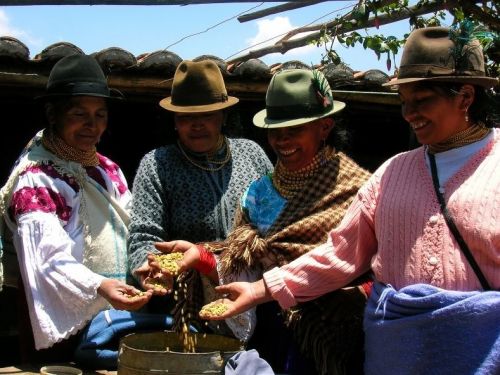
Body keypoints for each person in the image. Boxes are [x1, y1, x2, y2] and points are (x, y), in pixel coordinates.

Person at [198, 25, 500, 375]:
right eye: (404, 102)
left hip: (480, 352)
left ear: (465, 96)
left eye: (422, 100)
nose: (409, 113)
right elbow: (341, 252)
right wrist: (261, 290)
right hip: (396, 355)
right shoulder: (392, 174)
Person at [148, 68, 373, 374]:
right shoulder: (259, 192)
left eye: (295, 129)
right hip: (269, 335)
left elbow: (373, 269)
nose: (283, 140)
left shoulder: (358, 190)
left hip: (330, 338)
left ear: (324, 127)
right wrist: (202, 257)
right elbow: (246, 270)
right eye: (275, 130)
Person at [0, 54, 151, 362]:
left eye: (100, 114)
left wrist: (147, 265)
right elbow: (47, 259)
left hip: (113, 313)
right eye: (79, 114)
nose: (92, 125)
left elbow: (131, 225)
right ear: (52, 115)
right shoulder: (36, 179)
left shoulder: (108, 170)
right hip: (61, 323)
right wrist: (99, 285)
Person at [128, 60, 273, 314]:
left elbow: (278, 221)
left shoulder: (252, 155)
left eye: (207, 115)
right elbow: (144, 235)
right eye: (186, 117)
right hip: (188, 305)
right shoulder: (157, 164)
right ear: (175, 120)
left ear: (223, 116)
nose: (197, 125)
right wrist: (154, 266)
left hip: (258, 296)